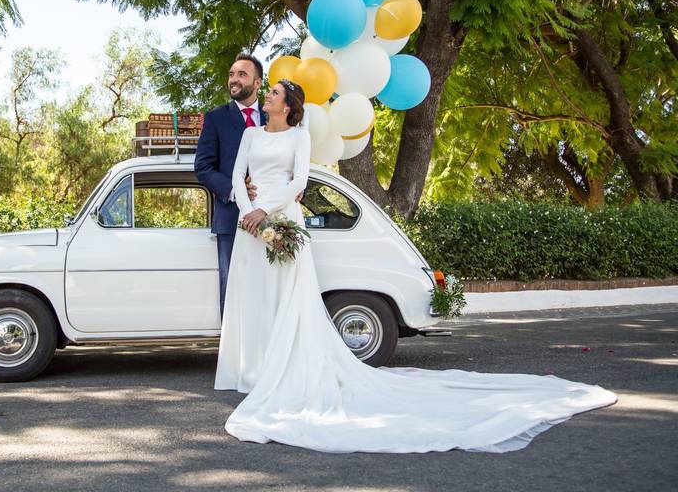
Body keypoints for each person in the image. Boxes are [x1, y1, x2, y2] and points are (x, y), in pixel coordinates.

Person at [214, 80, 617, 453]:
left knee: (286, 298)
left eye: (274, 94)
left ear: (288, 105)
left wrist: (267, 211)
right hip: (251, 225)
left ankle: (280, 372)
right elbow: (237, 176)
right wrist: (249, 213)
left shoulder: (299, 136)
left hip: (282, 217)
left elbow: (299, 182)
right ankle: (250, 372)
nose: (266, 96)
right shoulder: (251, 134)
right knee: (253, 297)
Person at [195, 54, 265, 314]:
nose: (233, 80)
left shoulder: (275, 117)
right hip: (231, 219)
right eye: (231, 74)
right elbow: (202, 167)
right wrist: (236, 190)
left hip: (272, 215)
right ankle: (234, 352)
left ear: (258, 82)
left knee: (269, 282)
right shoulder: (216, 118)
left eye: (241, 75)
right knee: (233, 286)